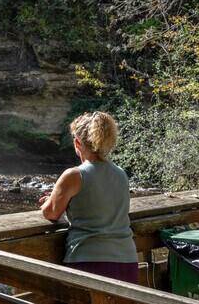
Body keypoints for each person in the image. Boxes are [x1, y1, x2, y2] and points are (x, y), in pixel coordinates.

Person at [39, 111, 138, 283]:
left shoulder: (74, 175)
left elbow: (51, 213)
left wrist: (52, 199)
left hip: (89, 262)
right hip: (127, 261)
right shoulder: (120, 174)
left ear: (77, 143)